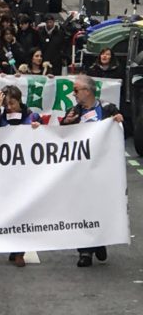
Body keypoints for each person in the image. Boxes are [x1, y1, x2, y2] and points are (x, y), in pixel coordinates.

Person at [61, 74, 123, 267]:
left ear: (87, 91)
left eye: (76, 90)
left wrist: (119, 121)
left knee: (101, 206)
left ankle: (99, 240)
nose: (74, 94)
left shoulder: (107, 108)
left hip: (103, 166)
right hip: (82, 168)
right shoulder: (74, 111)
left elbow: (120, 133)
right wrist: (66, 124)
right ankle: (85, 250)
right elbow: (63, 135)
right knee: (82, 207)